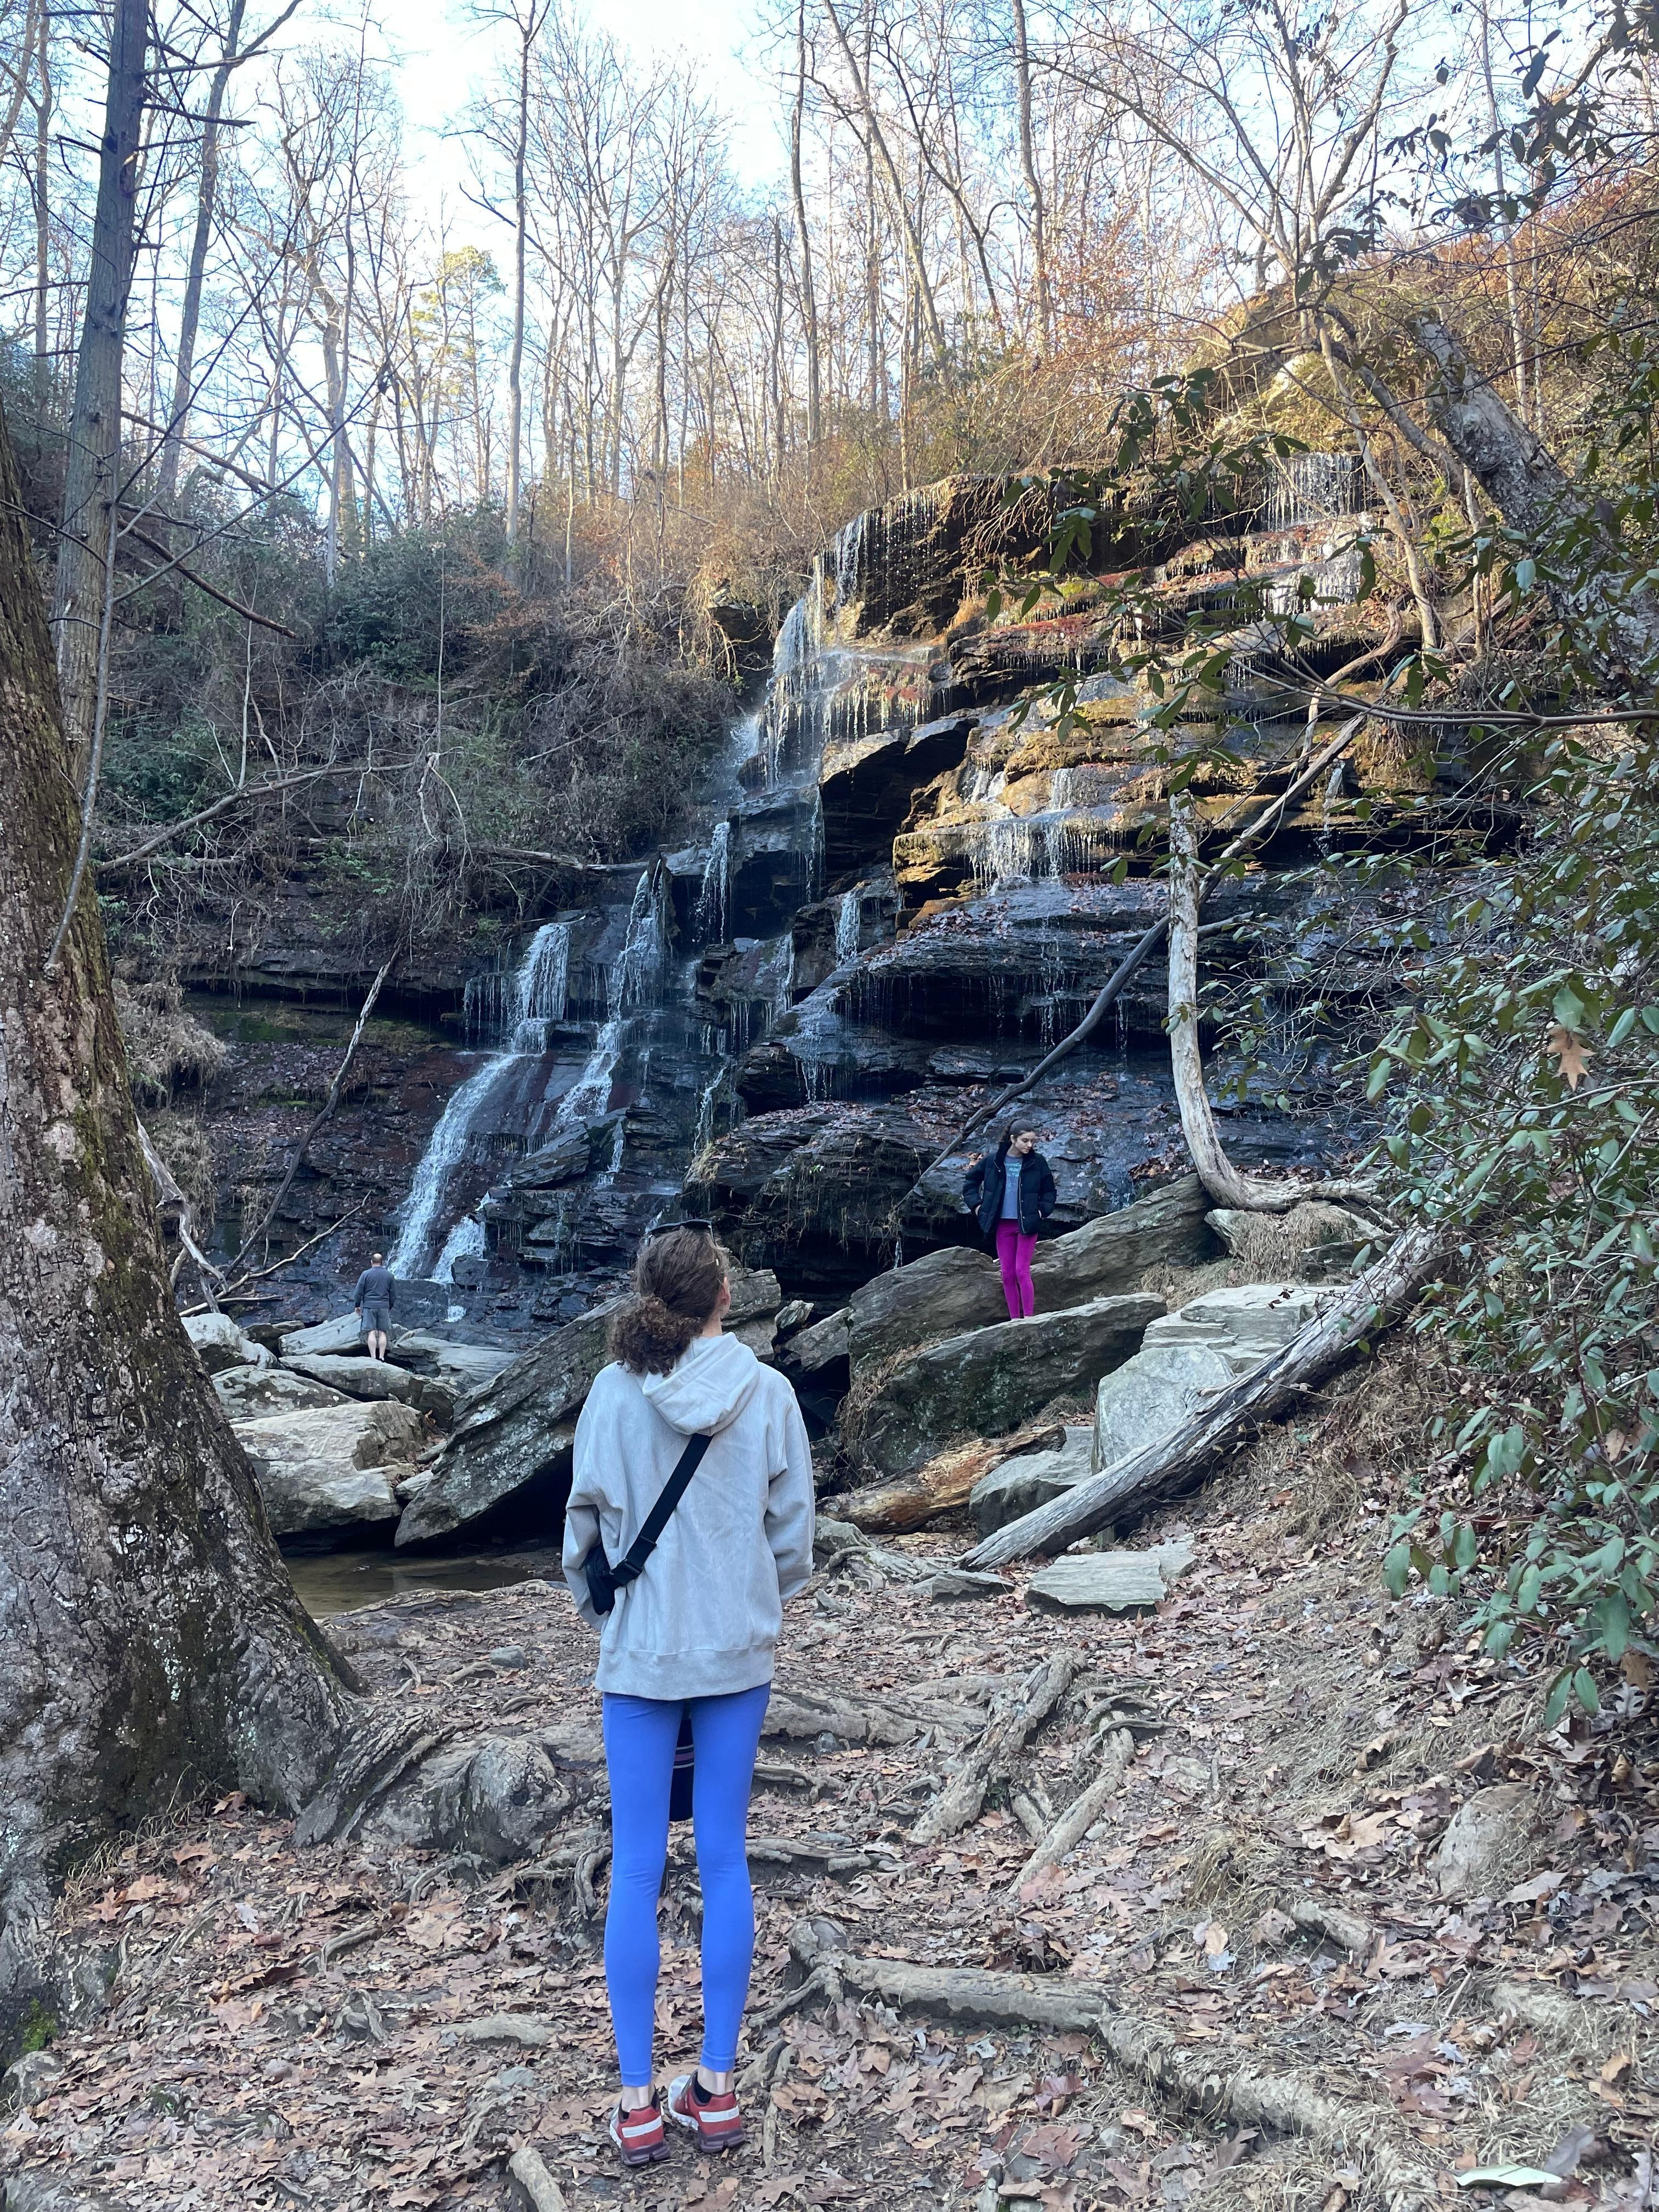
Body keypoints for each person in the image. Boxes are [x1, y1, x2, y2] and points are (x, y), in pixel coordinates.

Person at [562, 1222, 814, 2169]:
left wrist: (620, 1625)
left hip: (638, 1662)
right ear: (723, 1298)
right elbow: (790, 1537)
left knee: (634, 1865)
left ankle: (635, 2103)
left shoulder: (611, 1392)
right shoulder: (771, 1394)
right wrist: (746, 1603)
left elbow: (582, 1532)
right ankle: (713, 2090)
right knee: (724, 1860)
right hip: (735, 1660)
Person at [961, 1124, 1058, 1321]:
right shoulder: (992, 1161)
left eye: (1032, 1141)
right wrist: (978, 1207)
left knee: (1022, 1271)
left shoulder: (1037, 1162)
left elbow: (1050, 1192)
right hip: (1003, 1225)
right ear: (1013, 1139)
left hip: (1027, 1224)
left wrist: (1040, 1212)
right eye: (1025, 1140)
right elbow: (970, 1183)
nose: (1030, 1145)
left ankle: (1029, 1318)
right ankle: (1014, 1320)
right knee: (1007, 1274)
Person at [352, 1251, 395, 1361]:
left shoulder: (366, 1274)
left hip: (369, 1306)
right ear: (382, 1262)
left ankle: (373, 1358)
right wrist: (390, 1306)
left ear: (371, 1262)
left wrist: (357, 1305)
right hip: (384, 1306)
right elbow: (393, 1293)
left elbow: (358, 1291)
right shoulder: (389, 1275)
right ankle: (382, 1357)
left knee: (371, 1332)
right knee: (382, 1332)